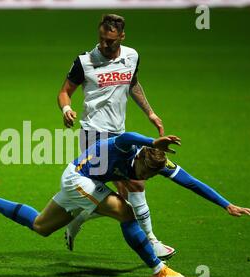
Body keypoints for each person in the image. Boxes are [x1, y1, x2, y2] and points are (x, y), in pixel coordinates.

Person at [0, 132, 250, 277]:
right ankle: (158, 269)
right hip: (78, 179)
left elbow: (191, 182)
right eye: (146, 173)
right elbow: (125, 135)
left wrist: (226, 204)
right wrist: (154, 138)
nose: (146, 178)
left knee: (41, 227)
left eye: (152, 175)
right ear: (140, 158)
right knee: (126, 211)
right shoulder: (129, 148)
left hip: (82, 182)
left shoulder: (158, 162)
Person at [57, 14, 173, 258]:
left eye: (110, 40)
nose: (105, 45)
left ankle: (76, 222)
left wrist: (150, 113)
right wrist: (67, 109)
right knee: (133, 185)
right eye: (101, 39)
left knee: (121, 196)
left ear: (122, 36)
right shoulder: (85, 61)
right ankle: (151, 242)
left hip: (119, 135)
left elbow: (133, 84)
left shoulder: (131, 56)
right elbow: (65, 92)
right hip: (93, 136)